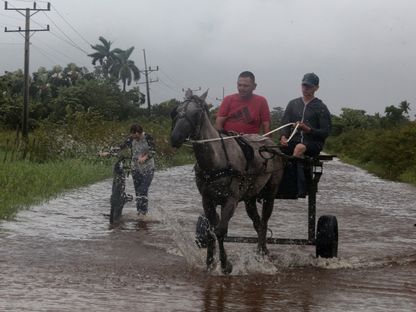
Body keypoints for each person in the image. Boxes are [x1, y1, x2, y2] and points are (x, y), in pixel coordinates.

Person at [280, 73, 331, 158]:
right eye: (304, 85)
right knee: (270, 149)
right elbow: (285, 123)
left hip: (313, 144)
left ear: (316, 88)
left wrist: (309, 130)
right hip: (292, 141)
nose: (305, 88)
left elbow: (326, 132)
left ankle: (293, 167)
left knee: (299, 147)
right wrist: (283, 137)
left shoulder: (321, 107)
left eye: (309, 86)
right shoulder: (293, 104)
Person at [215, 71, 271, 135]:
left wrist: (267, 141)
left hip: (251, 141)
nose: (241, 88)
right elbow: (219, 123)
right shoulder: (228, 99)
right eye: (239, 85)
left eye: (246, 86)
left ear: (254, 86)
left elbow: (266, 124)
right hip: (229, 139)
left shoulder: (261, 101)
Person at [121, 124, 155, 215]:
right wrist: (108, 152)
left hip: (148, 168)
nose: (135, 138)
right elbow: (121, 147)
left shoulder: (148, 137)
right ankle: (140, 213)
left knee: (143, 190)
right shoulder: (131, 139)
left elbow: (153, 151)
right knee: (138, 192)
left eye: (137, 136)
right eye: (133, 136)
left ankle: (143, 212)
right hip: (135, 169)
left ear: (139, 133)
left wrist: (145, 158)